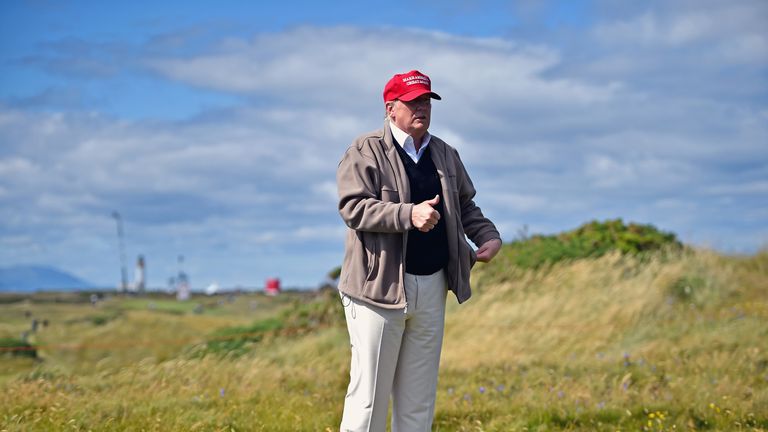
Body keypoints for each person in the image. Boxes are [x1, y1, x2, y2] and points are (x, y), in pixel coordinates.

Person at [336, 70, 502, 431]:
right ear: (390, 108)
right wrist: (408, 214)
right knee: (369, 401)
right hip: (377, 291)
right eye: (413, 102)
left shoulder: (444, 152)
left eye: (426, 101)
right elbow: (353, 208)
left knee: (418, 403)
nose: (421, 108)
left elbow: (465, 206)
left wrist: (486, 235)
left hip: (432, 286)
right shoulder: (365, 150)